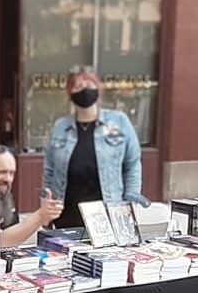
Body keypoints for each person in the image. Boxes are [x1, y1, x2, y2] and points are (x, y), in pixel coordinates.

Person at [43, 69, 149, 230]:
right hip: (67, 214)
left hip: (109, 213)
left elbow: (132, 164)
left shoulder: (119, 121)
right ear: (70, 94)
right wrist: (45, 208)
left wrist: (131, 200)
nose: (84, 90)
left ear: (98, 90)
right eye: (78, 86)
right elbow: (49, 171)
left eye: (89, 84)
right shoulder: (60, 127)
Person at [0, 145, 64, 252]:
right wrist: (39, 216)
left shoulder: (7, 200)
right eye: (1, 172)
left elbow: (15, 237)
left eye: (11, 173)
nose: (8, 179)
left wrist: (46, 218)